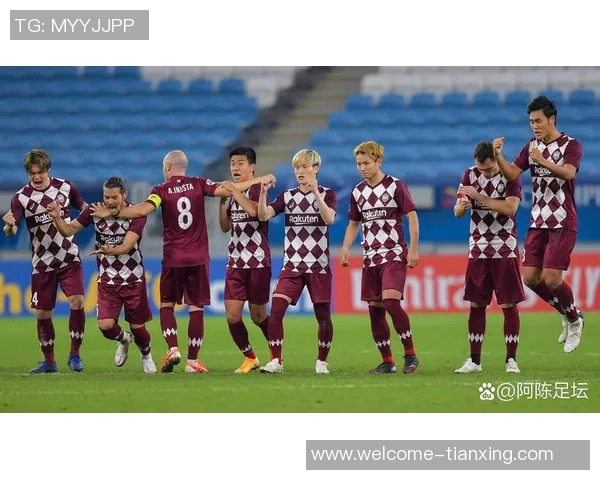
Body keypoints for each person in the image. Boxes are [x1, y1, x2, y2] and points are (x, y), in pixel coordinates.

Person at [90, 150, 275, 374]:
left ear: (168, 167)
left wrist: (114, 213)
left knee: (167, 304)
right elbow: (227, 189)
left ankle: (173, 349)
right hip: (198, 257)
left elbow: (143, 210)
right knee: (196, 308)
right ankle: (192, 361)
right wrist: (260, 179)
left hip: (174, 257)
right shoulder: (199, 183)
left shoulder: (160, 190)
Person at [494, 95, 584, 353]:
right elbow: (511, 173)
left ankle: (575, 321)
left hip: (562, 220)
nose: (534, 126)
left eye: (538, 121)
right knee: (531, 279)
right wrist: (499, 156)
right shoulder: (531, 145)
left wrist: (542, 161)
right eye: (531, 122)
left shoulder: (570, 145)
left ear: (551, 119)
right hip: (538, 220)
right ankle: (569, 313)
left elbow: (569, 173)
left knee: (552, 279)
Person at [47, 176, 156, 373]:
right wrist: (56, 217)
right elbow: (68, 230)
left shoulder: (137, 214)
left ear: (124, 195)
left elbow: (127, 246)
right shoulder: (93, 211)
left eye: (115, 197)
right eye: (107, 197)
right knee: (105, 326)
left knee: (139, 328)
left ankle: (146, 355)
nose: (110, 201)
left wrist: (109, 251)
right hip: (107, 280)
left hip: (133, 279)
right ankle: (124, 339)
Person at [2, 149, 87, 374]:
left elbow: (85, 210)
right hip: (42, 262)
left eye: (40, 172)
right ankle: (49, 361)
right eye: (32, 173)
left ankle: (75, 354)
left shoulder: (65, 187)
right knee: (42, 313)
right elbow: (11, 231)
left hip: (69, 257)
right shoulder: (21, 197)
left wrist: (79, 225)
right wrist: (9, 226)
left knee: (77, 301)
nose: (36, 177)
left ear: (48, 169)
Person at [340, 140, 420, 375]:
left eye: (366, 163)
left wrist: (413, 249)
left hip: (393, 253)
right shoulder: (357, 191)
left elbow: (412, 217)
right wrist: (345, 247)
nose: (362, 167)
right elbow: (354, 223)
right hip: (370, 257)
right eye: (358, 164)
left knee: (391, 302)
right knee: (374, 310)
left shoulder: (395, 185)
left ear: (378, 161)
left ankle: (410, 355)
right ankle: (387, 361)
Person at [257, 149, 336, 374]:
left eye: (305, 167)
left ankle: (322, 361)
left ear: (316, 169)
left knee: (323, 317)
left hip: (318, 265)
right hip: (292, 265)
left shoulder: (328, 194)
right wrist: (262, 194)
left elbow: (329, 219)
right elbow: (263, 215)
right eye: (297, 167)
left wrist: (315, 193)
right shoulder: (288, 196)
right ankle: (276, 360)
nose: (300, 171)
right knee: (276, 309)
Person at [453, 141, 525, 374]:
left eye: (488, 169)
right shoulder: (469, 174)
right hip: (478, 247)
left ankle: (511, 360)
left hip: (505, 246)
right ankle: (474, 361)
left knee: (508, 304)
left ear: (496, 161)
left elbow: (510, 209)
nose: (484, 173)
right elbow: (457, 212)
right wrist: (463, 205)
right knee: (476, 304)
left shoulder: (510, 174)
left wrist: (479, 197)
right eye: (480, 169)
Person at [218, 146, 271, 374]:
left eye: (240, 163)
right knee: (232, 316)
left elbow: (254, 212)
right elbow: (225, 227)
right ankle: (250, 357)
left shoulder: (259, 188)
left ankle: (276, 354)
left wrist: (233, 191)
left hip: (257, 261)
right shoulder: (232, 194)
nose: (235, 168)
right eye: (232, 164)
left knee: (259, 317)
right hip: (235, 261)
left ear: (252, 167)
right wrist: (222, 203)